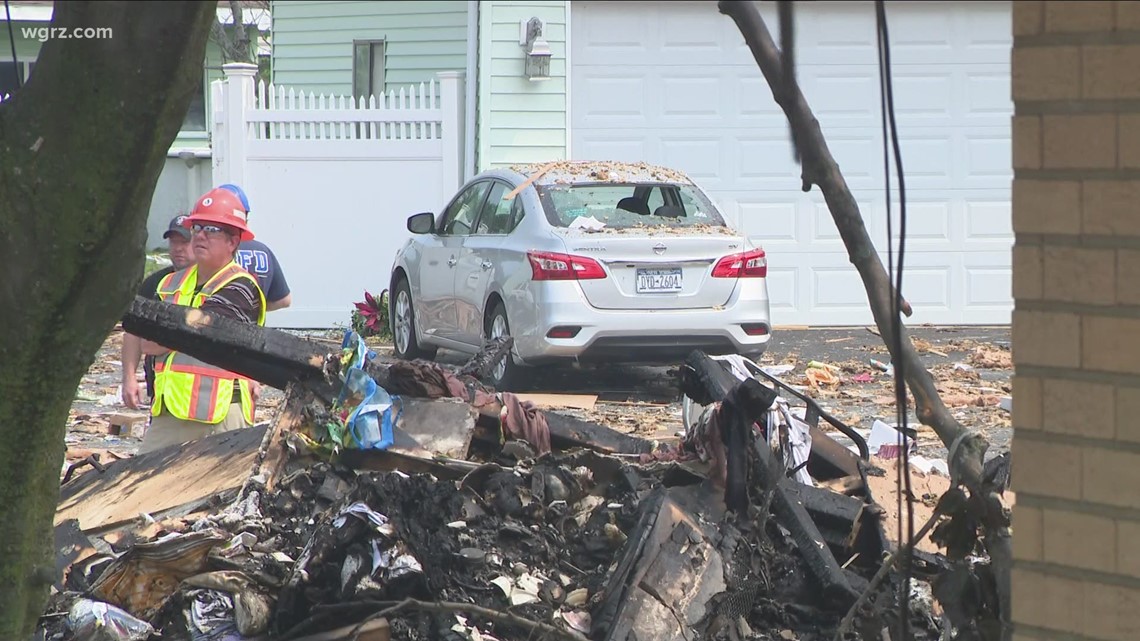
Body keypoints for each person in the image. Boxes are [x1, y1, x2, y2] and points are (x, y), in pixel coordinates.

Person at [137, 187, 267, 454]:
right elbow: (148, 343)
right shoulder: (170, 282)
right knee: (139, 483)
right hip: (170, 410)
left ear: (233, 242)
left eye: (212, 229)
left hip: (220, 411)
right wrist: (179, 332)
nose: (200, 235)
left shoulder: (241, 286)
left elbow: (205, 333)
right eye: (197, 227)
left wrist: (174, 332)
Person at [121, 215, 196, 410]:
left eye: (185, 242)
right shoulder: (155, 284)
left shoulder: (212, 283)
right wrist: (129, 378)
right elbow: (133, 333)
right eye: (173, 242)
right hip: (161, 388)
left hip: (200, 392)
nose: (178, 248)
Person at [218, 183, 293, 311]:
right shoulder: (263, 250)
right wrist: (251, 311)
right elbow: (284, 300)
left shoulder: (210, 251)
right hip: (253, 329)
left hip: (213, 327)